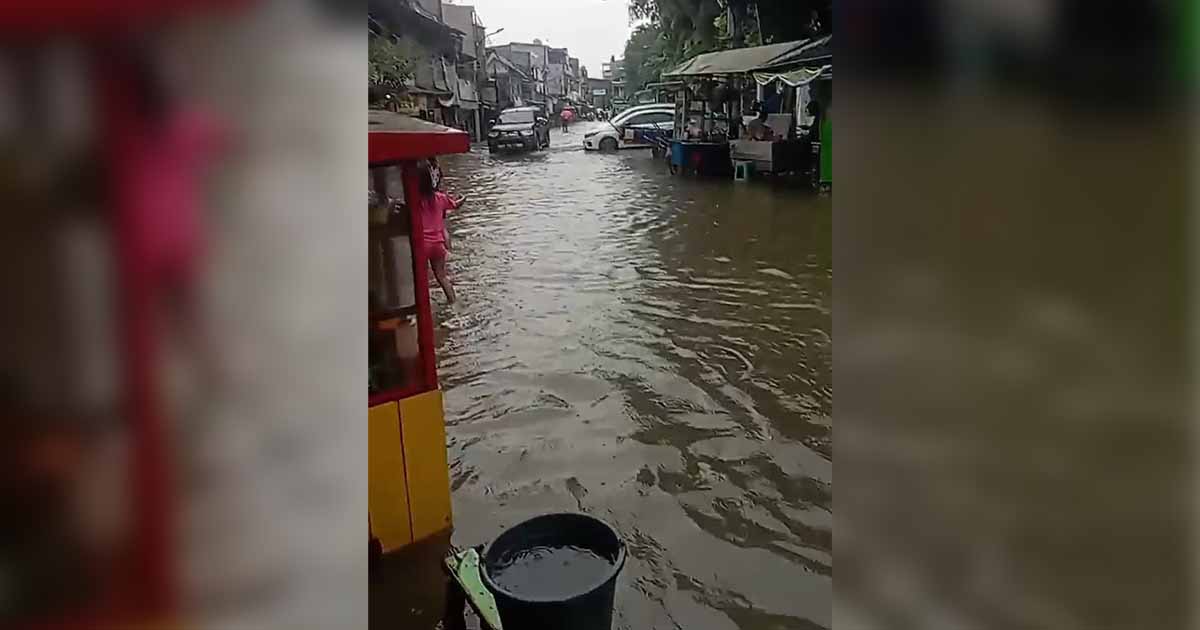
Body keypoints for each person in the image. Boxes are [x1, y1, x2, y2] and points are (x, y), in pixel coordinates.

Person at [416, 164, 465, 304]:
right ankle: (453, 302)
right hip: (438, 244)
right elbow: (456, 204)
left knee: (422, 280)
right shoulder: (440, 197)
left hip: (422, 244)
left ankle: (425, 306)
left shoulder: (416, 200)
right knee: (442, 276)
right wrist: (463, 198)